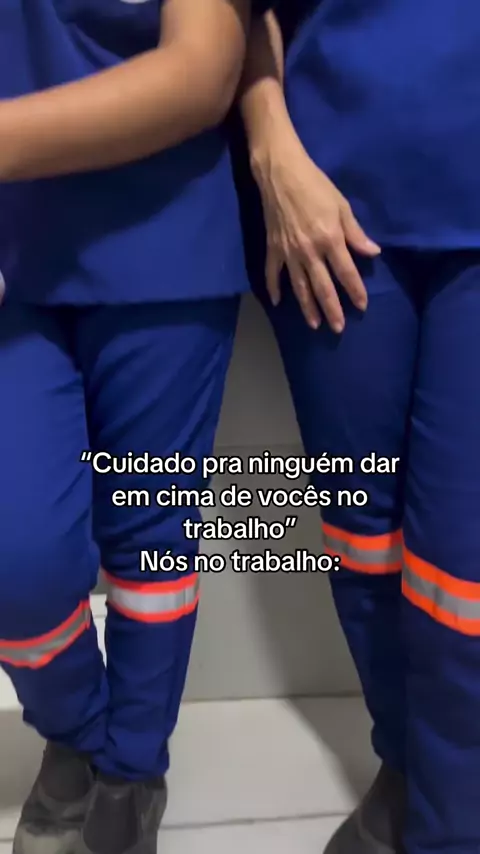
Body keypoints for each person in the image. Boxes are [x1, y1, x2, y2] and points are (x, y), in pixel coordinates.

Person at [0, 1, 269, 853]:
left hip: (164, 238)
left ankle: (130, 773)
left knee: (151, 541)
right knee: (16, 557)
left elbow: (201, 72)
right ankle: (80, 736)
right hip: (14, 255)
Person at [234, 3, 480, 854]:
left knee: (463, 577)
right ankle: (411, 766)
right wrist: (272, 153)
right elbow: (239, 14)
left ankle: (450, 825)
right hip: (324, 203)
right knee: (361, 542)